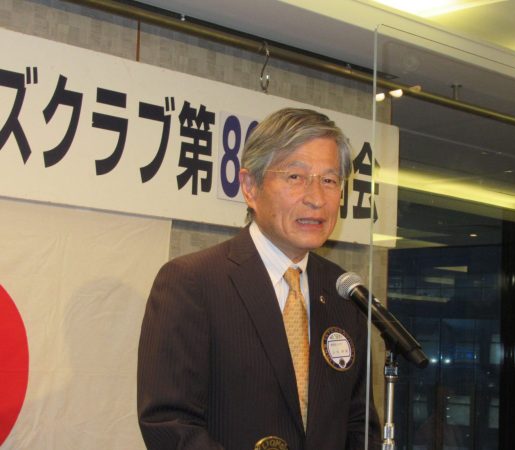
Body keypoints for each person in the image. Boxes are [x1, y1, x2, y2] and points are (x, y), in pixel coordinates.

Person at [137, 107, 381, 449]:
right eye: (295, 177)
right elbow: (169, 424)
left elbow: (359, 424)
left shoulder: (344, 291)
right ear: (250, 187)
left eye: (329, 180)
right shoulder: (193, 282)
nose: (316, 198)